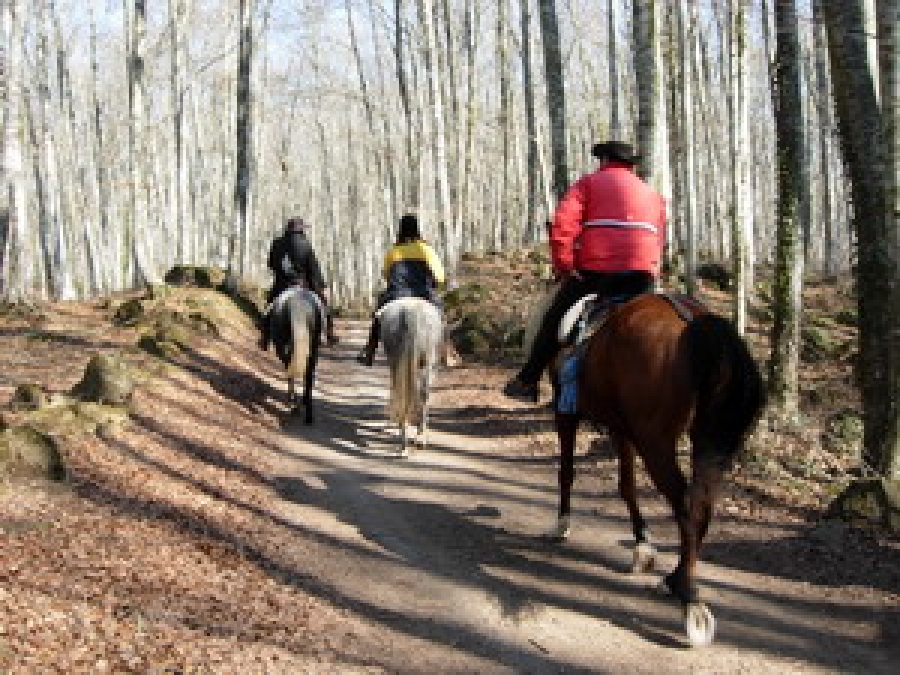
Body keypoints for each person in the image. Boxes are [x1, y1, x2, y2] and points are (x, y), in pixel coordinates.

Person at [502, 141, 667, 402]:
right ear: (632, 164)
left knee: (556, 317)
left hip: (597, 272)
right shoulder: (653, 194)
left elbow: (562, 228)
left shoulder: (588, 184)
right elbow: (659, 237)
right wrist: (653, 269)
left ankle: (528, 379)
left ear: (603, 161)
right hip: (642, 274)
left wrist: (565, 265)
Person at [356, 214, 446, 366]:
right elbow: (441, 277)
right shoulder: (427, 250)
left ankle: (369, 350)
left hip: (396, 294)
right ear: (417, 229)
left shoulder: (393, 252)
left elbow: (386, 274)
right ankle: (447, 351)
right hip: (424, 294)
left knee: (378, 315)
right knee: (442, 315)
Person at [259, 217, 339, 350]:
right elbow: (314, 268)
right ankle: (329, 333)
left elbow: (271, 264)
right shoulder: (305, 244)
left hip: (281, 285)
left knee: (269, 307)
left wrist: (282, 271)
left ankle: (264, 337)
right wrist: (321, 286)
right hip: (303, 284)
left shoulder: (277, 243)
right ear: (301, 230)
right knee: (323, 304)